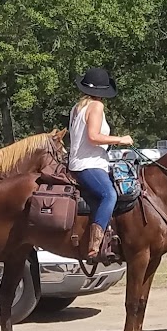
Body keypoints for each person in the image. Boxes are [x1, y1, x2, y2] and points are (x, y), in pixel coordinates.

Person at [69, 67, 133, 262]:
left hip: (81, 162)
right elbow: (93, 137)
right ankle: (95, 246)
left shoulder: (77, 108)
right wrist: (120, 139)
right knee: (109, 194)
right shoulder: (96, 107)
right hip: (89, 164)